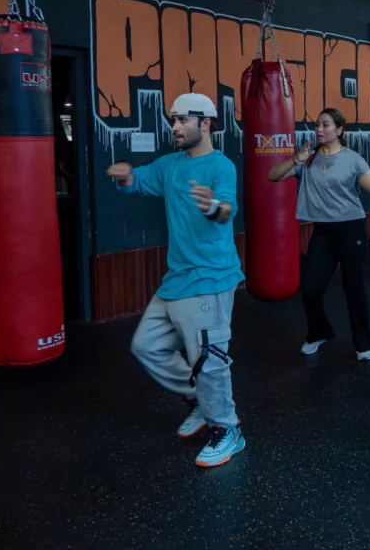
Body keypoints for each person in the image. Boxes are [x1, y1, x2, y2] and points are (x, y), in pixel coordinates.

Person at [107, 93, 247, 468]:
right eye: (173, 120)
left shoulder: (222, 166)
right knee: (146, 346)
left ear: (206, 123)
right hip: (177, 279)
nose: (174, 127)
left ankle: (227, 429)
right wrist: (125, 175)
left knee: (210, 361)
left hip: (210, 278)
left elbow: (226, 207)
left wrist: (214, 207)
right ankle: (199, 401)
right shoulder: (170, 165)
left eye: (183, 120)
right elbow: (139, 181)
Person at [268, 108, 370, 361]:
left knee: (354, 289)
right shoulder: (307, 158)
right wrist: (296, 159)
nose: (319, 129)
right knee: (310, 289)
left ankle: (363, 342)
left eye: (326, 125)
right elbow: (272, 176)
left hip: (352, 228)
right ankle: (319, 332)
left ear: (339, 130)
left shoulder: (353, 159)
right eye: (317, 125)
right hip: (323, 231)